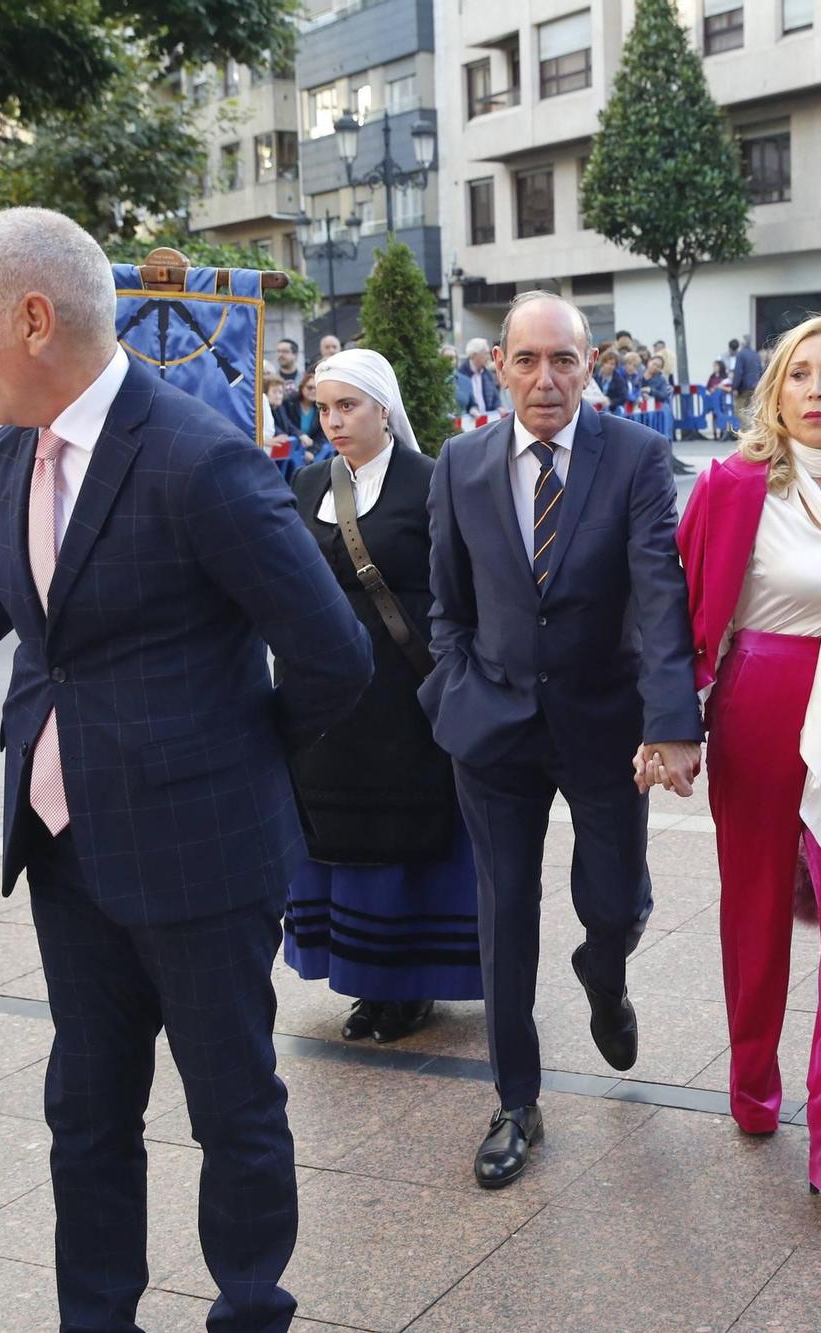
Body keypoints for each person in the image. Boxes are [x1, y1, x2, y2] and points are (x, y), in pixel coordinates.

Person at [0, 207, 372, 1331]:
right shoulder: (4, 460)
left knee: (232, 1108)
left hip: (203, 855)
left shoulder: (198, 456)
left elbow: (333, 654)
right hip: (67, 852)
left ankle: (248, 1308)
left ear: (32, 319)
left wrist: (235, 768)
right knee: (85, 1110)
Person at [420, 290, 701, 1189]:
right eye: (528, 360)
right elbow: (446, 603)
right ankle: (515, 1099)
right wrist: (454, 684)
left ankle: (603, 967)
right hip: (493, 725)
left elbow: (660, 594)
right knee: (503, 912)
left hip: (605, 722)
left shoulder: (636, 458)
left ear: (591, 365)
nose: (546, 379)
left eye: (565, 360)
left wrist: (671, 722)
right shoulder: (461, 464)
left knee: (612, 900)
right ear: (498, 366)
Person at [677, 315, 821, 1220]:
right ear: (776, 391)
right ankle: (751, 1079)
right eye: (800, 375)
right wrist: (673, 725)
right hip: (760, 708)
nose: (817, 390)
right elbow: (681, 605)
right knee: (759, 905)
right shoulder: (734, 486)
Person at [283, 350, 483, 1041]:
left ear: (384, 408)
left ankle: (411, 985)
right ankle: (364, 982)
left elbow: (461, 587)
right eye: (324, 407)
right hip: (325, 702)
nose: (334, 420)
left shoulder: (431, 482)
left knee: (406, 837)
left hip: (405, 693)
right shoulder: (308, 480)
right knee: (339, 834)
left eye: (349, 406)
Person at [454, 337, 500, 417]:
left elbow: (495, 398)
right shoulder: (460, 376)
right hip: (468, 425)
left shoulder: (487, 375)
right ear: (474, 355)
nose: (489, 357)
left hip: (487, 423)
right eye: (485, 353)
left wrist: (499, 406)